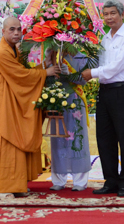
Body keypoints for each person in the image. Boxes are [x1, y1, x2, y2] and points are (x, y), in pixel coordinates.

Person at [0, 17, 58, 196]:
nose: (16, 33)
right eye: (12, 29)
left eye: (19, 29)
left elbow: (22, 73)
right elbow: (20, 75)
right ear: (3, 31)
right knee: (7, 139)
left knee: (16, 136)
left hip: (12, 99)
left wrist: (45, 64)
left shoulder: (13, 50)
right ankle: (6, 185)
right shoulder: (1, 52)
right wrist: (45, 72)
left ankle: (17, 183)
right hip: (4, 103)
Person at [81, 0, 124, 197]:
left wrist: (91, 73)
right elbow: (100, 65)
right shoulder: (104, 38)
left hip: (122, 91)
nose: (109, 17)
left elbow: (117, 66)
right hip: (105, 91)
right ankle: (110, 181)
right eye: (105, 14)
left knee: (123, 138)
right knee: (105, 138)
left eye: (113, 13)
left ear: (121, 15)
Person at [49, 54, 92, 191]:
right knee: (57, 139)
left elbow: (84, 80)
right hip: (57, 100)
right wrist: (49, 64)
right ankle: (58, 179)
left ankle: (80, 181)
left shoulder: (81, 57)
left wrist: (70, 74)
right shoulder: (53, 54)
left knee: (77, 139)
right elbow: (46, 78)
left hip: (75, 101)